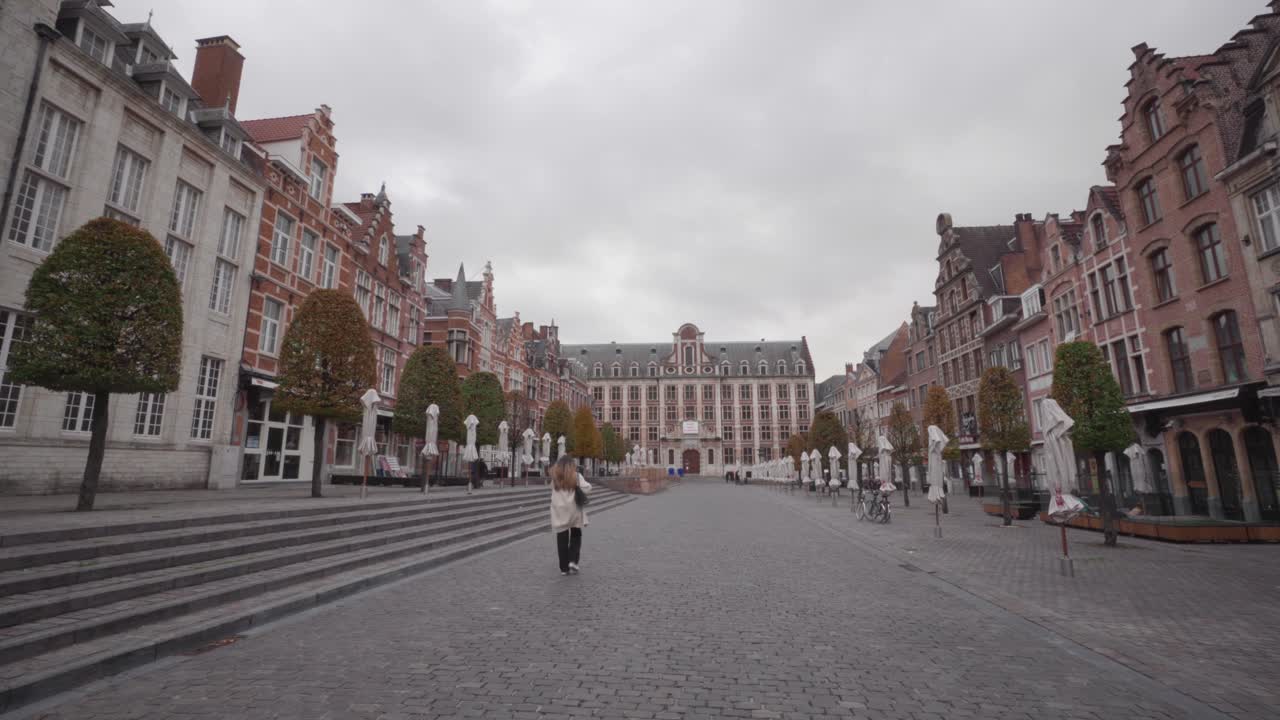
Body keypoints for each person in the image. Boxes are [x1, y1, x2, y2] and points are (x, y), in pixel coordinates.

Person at [549, 455, 591, 575]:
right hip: (574, 509)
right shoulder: (576, 476)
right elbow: (588, 488)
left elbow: (552, 490)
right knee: (576, 534)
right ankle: (573, 560)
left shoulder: (555, 477)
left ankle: (564, 568)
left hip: (559, 510)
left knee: (561, 537)